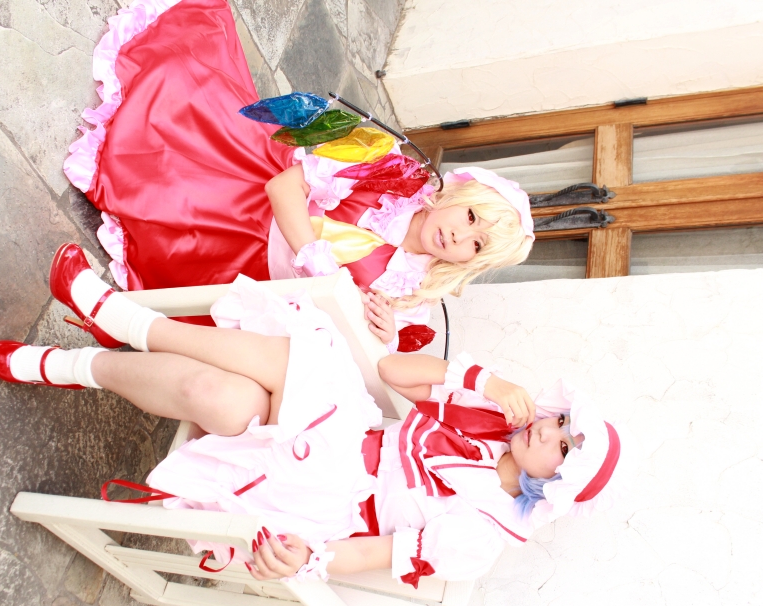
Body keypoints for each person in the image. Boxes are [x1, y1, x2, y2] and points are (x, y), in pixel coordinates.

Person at [0, 244, 626, 585]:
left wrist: (306, 560)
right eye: (562, 421)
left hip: (326, 494)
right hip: (347, 427)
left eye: (563, 446)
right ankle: (109, 330)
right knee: (257, 379)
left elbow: (372, 554)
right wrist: (483, 378)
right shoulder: (490, 420)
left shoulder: (483, 535)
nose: (550, 429)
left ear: (554, 484)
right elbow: (393, 373)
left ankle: (81, 351)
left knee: (217, 395)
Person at [63, 0, 534, 351]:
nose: (460, 236)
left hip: (261, 294)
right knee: (168, 120)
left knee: (192, 316)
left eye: (477, 245)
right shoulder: (394, 175)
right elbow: (283, 186)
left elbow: (358, 349)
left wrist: (384, 335)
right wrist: (316, 262)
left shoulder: (416, 294)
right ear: (457, 195)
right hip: (253, 213)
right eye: (471, 217)